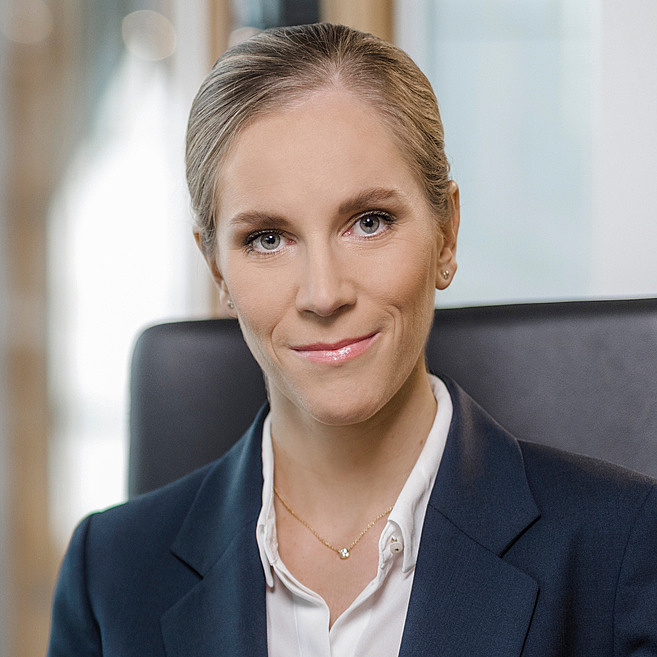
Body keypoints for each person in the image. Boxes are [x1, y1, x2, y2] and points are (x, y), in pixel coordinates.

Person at [48, 23, 657, 657]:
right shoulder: (109, 575)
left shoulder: (625, 550)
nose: (324, 293)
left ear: (447, 235)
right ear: (218, 271)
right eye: (267, 238)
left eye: (369, 222)